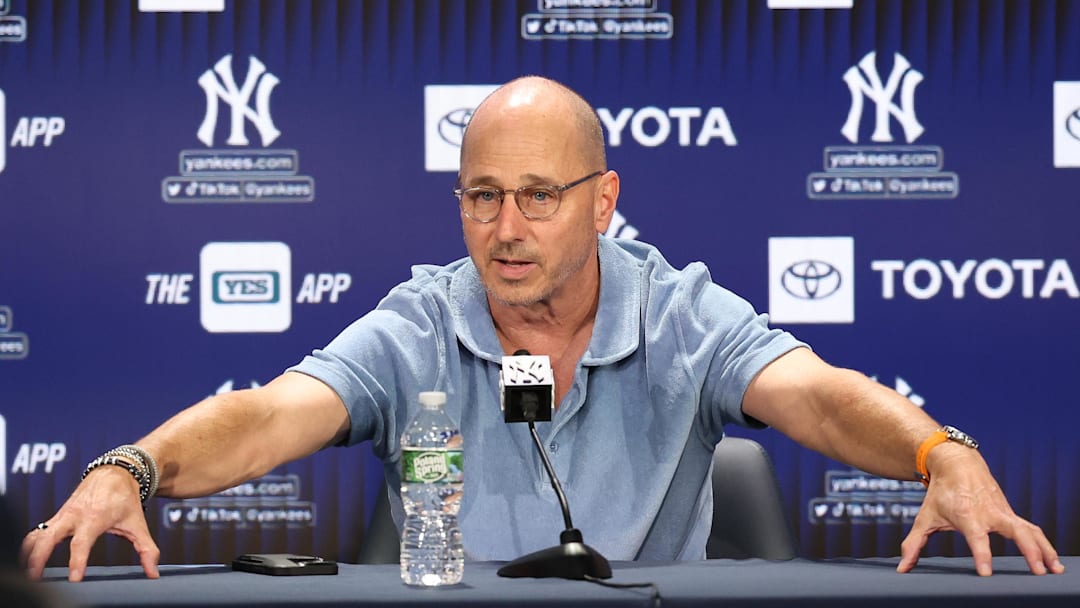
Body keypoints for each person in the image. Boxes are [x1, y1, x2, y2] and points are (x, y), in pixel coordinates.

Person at [22, 76, 1064, 582]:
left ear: (604, 198)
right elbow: (262, 420)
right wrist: (132, 465)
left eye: (537, 196)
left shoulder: (681, 311)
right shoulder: (419, 323)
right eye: (480, 196)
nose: (504, 231)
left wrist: (941, 449)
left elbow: (818, 396)